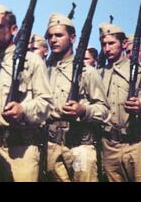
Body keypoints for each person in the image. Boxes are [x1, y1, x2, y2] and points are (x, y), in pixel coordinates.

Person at [0, 3, 52, 182]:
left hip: (21, 149)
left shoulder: (32, 61)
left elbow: (46, 103)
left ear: (13, 29)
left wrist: (23, 110)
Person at [45, 13, 109, 182]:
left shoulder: (88, 72)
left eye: (59, 35)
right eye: (50, 36)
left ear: (72, 38)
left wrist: (83, 110)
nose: (53, 40)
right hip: (51, 147)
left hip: (79, 150)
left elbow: (104, 111)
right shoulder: (44, 71)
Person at [99, 23, 141, 182]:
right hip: (109, 146)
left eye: (111, 43)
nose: (107, 48)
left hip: (137, 143)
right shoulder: (99, 74)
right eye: (103, 44)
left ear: (124, 44)